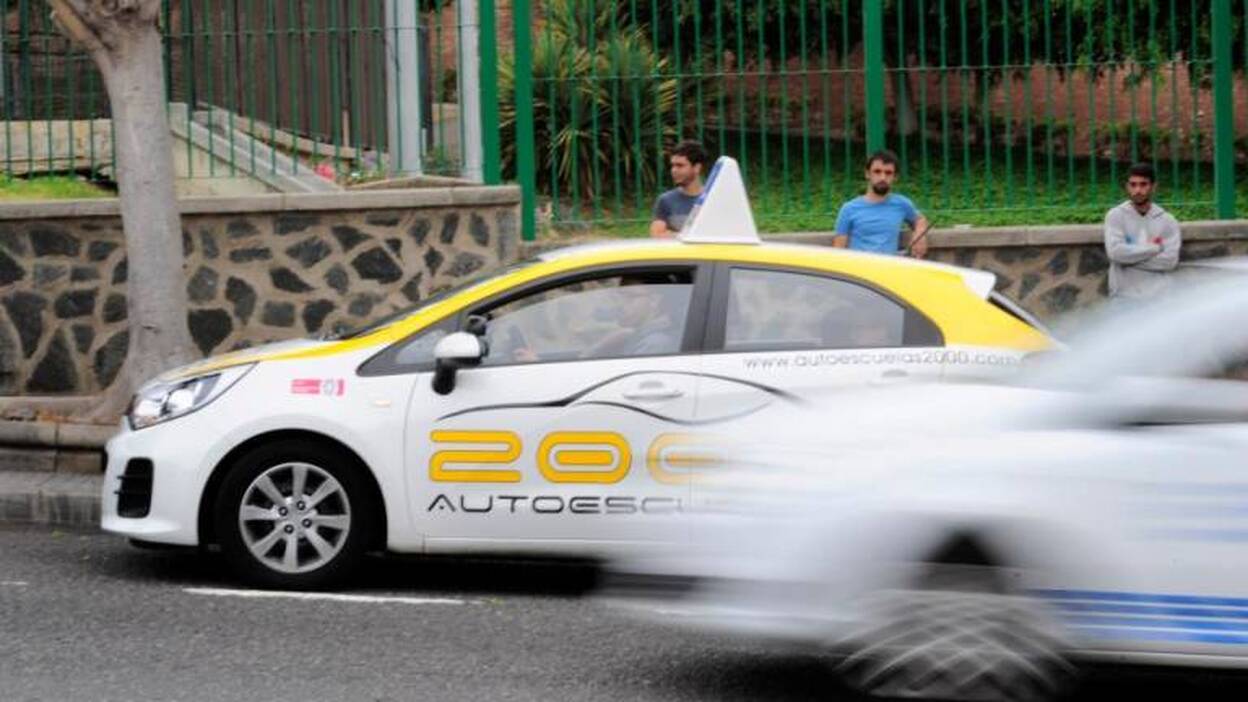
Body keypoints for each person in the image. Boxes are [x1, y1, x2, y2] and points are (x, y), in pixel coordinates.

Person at [1104, 162, 1181, 300]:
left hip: (1159, 298)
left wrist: (1128, 259)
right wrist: (1154, 249)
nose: (1137, 190)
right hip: (1123, 296)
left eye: (1143, 184)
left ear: (1153, 187)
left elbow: (1170, 261)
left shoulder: (1168, 221)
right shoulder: (1115, 216)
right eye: (1133, 185)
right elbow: (1116, 253)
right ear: (1127, 186)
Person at [832, 149, 930, 258]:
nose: (882, 177)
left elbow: (920, 220)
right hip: (859, 271)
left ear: (895, 177)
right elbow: (838, 251)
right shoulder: (849, 209)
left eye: (888, 173)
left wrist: (919, 236)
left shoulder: (901, 204)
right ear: (867, 174)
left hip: (887, 270)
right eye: (877, 172)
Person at [650, 141, 708, 238]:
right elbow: (657, 235)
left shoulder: (713, 199)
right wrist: (691, 237)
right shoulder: (665, 200)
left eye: (680, 165)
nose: (674, 170)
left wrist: (672, 235)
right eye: (672, 165)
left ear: (697, 168)